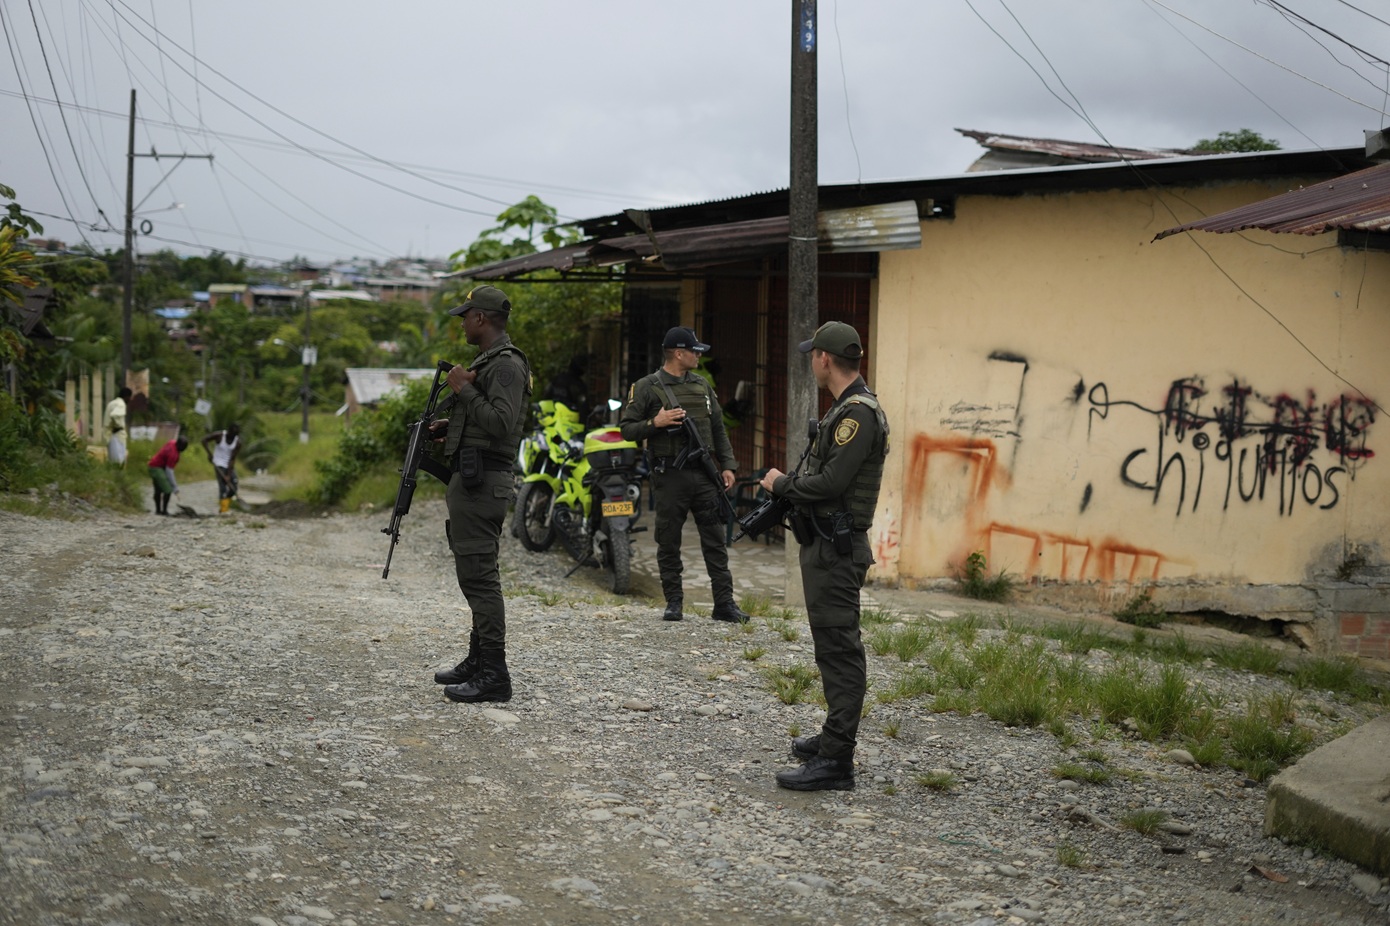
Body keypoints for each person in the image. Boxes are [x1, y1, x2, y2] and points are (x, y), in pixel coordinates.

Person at [759, 321, 890, 792]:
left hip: (837, 549)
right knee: (830, 647)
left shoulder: (859, 414)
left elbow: (832, 483)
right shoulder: (844, 409)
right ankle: (833, 738)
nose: (811, 361)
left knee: (840, 651)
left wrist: (781, 485)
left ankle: (837, 761)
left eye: (812, 355)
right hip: (825, 544)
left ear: (824, 360)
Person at [429, 285, 531, 704]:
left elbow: (502, 423)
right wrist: (448, 427)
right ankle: (477, 659)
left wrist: (460, 389)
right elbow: (479, 419)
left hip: (483, 483)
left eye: (466, 315)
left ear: (481, 319)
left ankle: (495, 674)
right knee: (475, 574)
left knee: (480, 578)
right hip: (474, 479)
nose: (463, 322)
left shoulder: (506, 364)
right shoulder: (489, 361)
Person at [619, 326, 749, 624]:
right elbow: (627, 429)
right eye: (694, 350)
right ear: (679, 353)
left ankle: (724, 604)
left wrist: (728, 465)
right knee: (668, 541)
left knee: (715, 540)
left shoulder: (702, 386)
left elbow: (718, 428)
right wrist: (656, 421)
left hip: (704, 475)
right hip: (670, 477)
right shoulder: (647, 387)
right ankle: (674, 603)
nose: (699, 355)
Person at [201, 424, 240, 515]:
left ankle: (225, 502)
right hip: (218, 464)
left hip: (228, 465)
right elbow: (204, 440)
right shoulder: (219, 435)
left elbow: (232, 459)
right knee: (222, 486)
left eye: (235, 435)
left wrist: (229, 475)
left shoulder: (238, 442)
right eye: (231, 435)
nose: (232, 437)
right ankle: (223, 509)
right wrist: (209, 454)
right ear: (228, 432)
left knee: (234, 485)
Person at [147, 435, 189, 516]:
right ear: (180, 446)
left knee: (158, 489)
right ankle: (164, 511)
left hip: (154, 465)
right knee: (167, 490)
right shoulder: (173, 454)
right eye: (183, 447)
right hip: (156, 468)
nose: (183, 449)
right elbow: (169, 471)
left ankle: (158, 511)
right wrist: (175, 487)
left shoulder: (172, 442)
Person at [105, 387, 132, 466]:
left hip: (110, 435)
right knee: (119, 462)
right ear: (127, 397)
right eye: (130, 397)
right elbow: (115, 415)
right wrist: (118, 426)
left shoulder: (112, 403)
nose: (130, 400)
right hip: (117, 435)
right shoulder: (121, 404)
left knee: (113, 461)